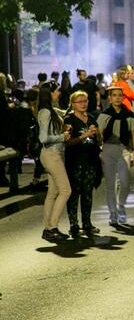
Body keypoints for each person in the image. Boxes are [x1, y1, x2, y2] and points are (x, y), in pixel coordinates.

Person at [97, 87, 134, 226]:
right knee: (110, 184)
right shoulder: (104, 115)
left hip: (124, 150)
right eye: (114, 95)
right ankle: (113, 213)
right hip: (108, 149)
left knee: (125, 182)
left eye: (120, 95)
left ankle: (121, 206)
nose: (117, 98)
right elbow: (99, 134)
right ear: (109, 98)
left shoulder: (128, 115)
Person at [64, 91, 103, 238]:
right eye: (80, 101)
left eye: (85, 100)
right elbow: (67, 142)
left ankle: (87, 223)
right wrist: (83, 136)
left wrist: (97, 134)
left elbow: (98, 140)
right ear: (73, 104)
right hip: (75, 161)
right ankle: (73, 224)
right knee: (74, 193)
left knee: (87, 194)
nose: (83, 103)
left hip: (91, 161)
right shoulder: (69, 120)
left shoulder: (91, 118)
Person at [37, 81, 72, 242]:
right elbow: (43, 138)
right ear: (49, 93)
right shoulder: (45, 112)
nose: (59, 93)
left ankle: (48, 229)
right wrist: (62, 136)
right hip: (51, 155)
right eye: (56, 91)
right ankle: (53, 226)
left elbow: (65, 112)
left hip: (55, 154)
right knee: (66, 191)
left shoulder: (51, 110)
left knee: (52, 193)